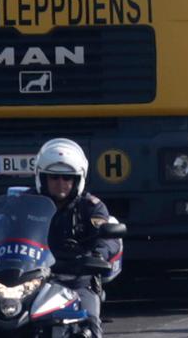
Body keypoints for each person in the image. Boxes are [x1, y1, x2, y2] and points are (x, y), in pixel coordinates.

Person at [33, 138, 122, 338]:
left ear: (77, 180)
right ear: (42, 178)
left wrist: (98, 255)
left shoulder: (91, 207)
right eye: (54, 178)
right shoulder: (25, 202)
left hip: (75, 278)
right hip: (32, 278)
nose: (60, 183)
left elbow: (108, 238)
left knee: (88, 324)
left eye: (67, 178)